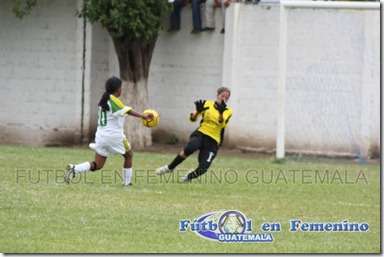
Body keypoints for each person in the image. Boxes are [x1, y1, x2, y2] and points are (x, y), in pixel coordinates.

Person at [65, 76, 153, 186]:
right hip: (114, 136)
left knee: (98, 164)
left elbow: (123, 109)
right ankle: (126, 184)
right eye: (121, 87)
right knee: (129, 155)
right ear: (118, 89)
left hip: (101, 136)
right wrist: (143, 116)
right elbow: (128, 111)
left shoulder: (105, 100)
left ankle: (74, 169)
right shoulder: (113, 100)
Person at [155, 87, 233, 182]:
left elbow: (222, 123)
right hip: (201, 134)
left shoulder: (228, 111)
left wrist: (221, 112)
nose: (224, 99)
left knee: (203, 168)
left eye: (226, 98)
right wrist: (198, 112)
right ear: (217, 95)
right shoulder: (207, 104)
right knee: (190, 148)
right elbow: (192, 119)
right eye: (222, 96)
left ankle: (188, 177)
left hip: (213, 141)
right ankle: (170, 167)